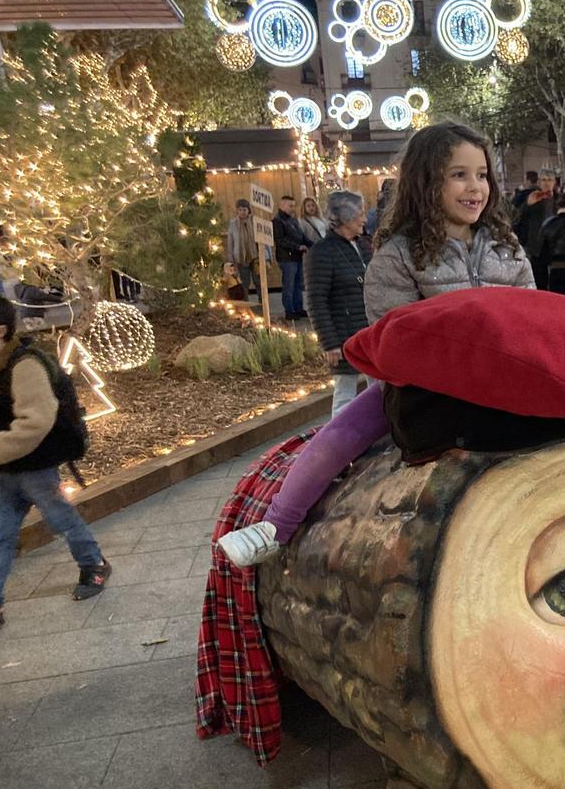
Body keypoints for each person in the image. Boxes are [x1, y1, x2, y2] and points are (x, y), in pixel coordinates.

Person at [217, 121, 534, 567]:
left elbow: (534, 318)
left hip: (505, 381)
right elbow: (393, 334)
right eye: (459, 174)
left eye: (482, 174)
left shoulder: (508, 249)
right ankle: (276, 525)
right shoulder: (399, 255)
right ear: (427, 181)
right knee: (344, 429)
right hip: (428, 389)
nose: (475, 187)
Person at [0, 295, 112, 630]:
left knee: (61, 519)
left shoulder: (25, 366)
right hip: (5, 468)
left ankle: (93, 563)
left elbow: (35, 422)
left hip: (36, 465)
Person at [305, 191, 371, 417]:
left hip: (369, 331)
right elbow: (316, 299)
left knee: (379, 389)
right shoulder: (322, 253)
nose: (364, 219)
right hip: (343, 334)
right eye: (360, 214)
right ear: (345, 217)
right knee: (345, 392)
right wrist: (330, 342)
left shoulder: (363, 246)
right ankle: (338, 445)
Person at [515, 168, 557, 290]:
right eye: (543, 180)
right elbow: (517, 217)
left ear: (554, 182)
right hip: (536, 245)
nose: (546, 183)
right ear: (539, 182)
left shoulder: (560, 198)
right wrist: (528, 204)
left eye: (549, 180)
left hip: (555, 244)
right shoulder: (530, 196)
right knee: (539, 279)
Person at [273, 195, 309, 320]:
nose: (293, 208)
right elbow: (280, 240)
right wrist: (297, 247)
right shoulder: (277, 221)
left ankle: (298, 308)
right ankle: (289, 310)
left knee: (298, 284)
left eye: (294, 206)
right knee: (289, 285)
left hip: (297, 257)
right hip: (287, 258)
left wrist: (313, 245)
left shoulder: (293, 220)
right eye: (290, 206)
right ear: (282, 205)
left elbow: (301, 236)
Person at [226, 199, 258, 300]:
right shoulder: (233, 224)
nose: (242, 212)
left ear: (248, 210)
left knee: (259, 281)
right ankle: (246, 305)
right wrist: (231, 260)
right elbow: (230, 242)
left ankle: (263, 304)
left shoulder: (254, 221)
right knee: (244, 283)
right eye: (240, 210)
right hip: (240, 257)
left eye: (244, 209)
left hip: (255, 256)